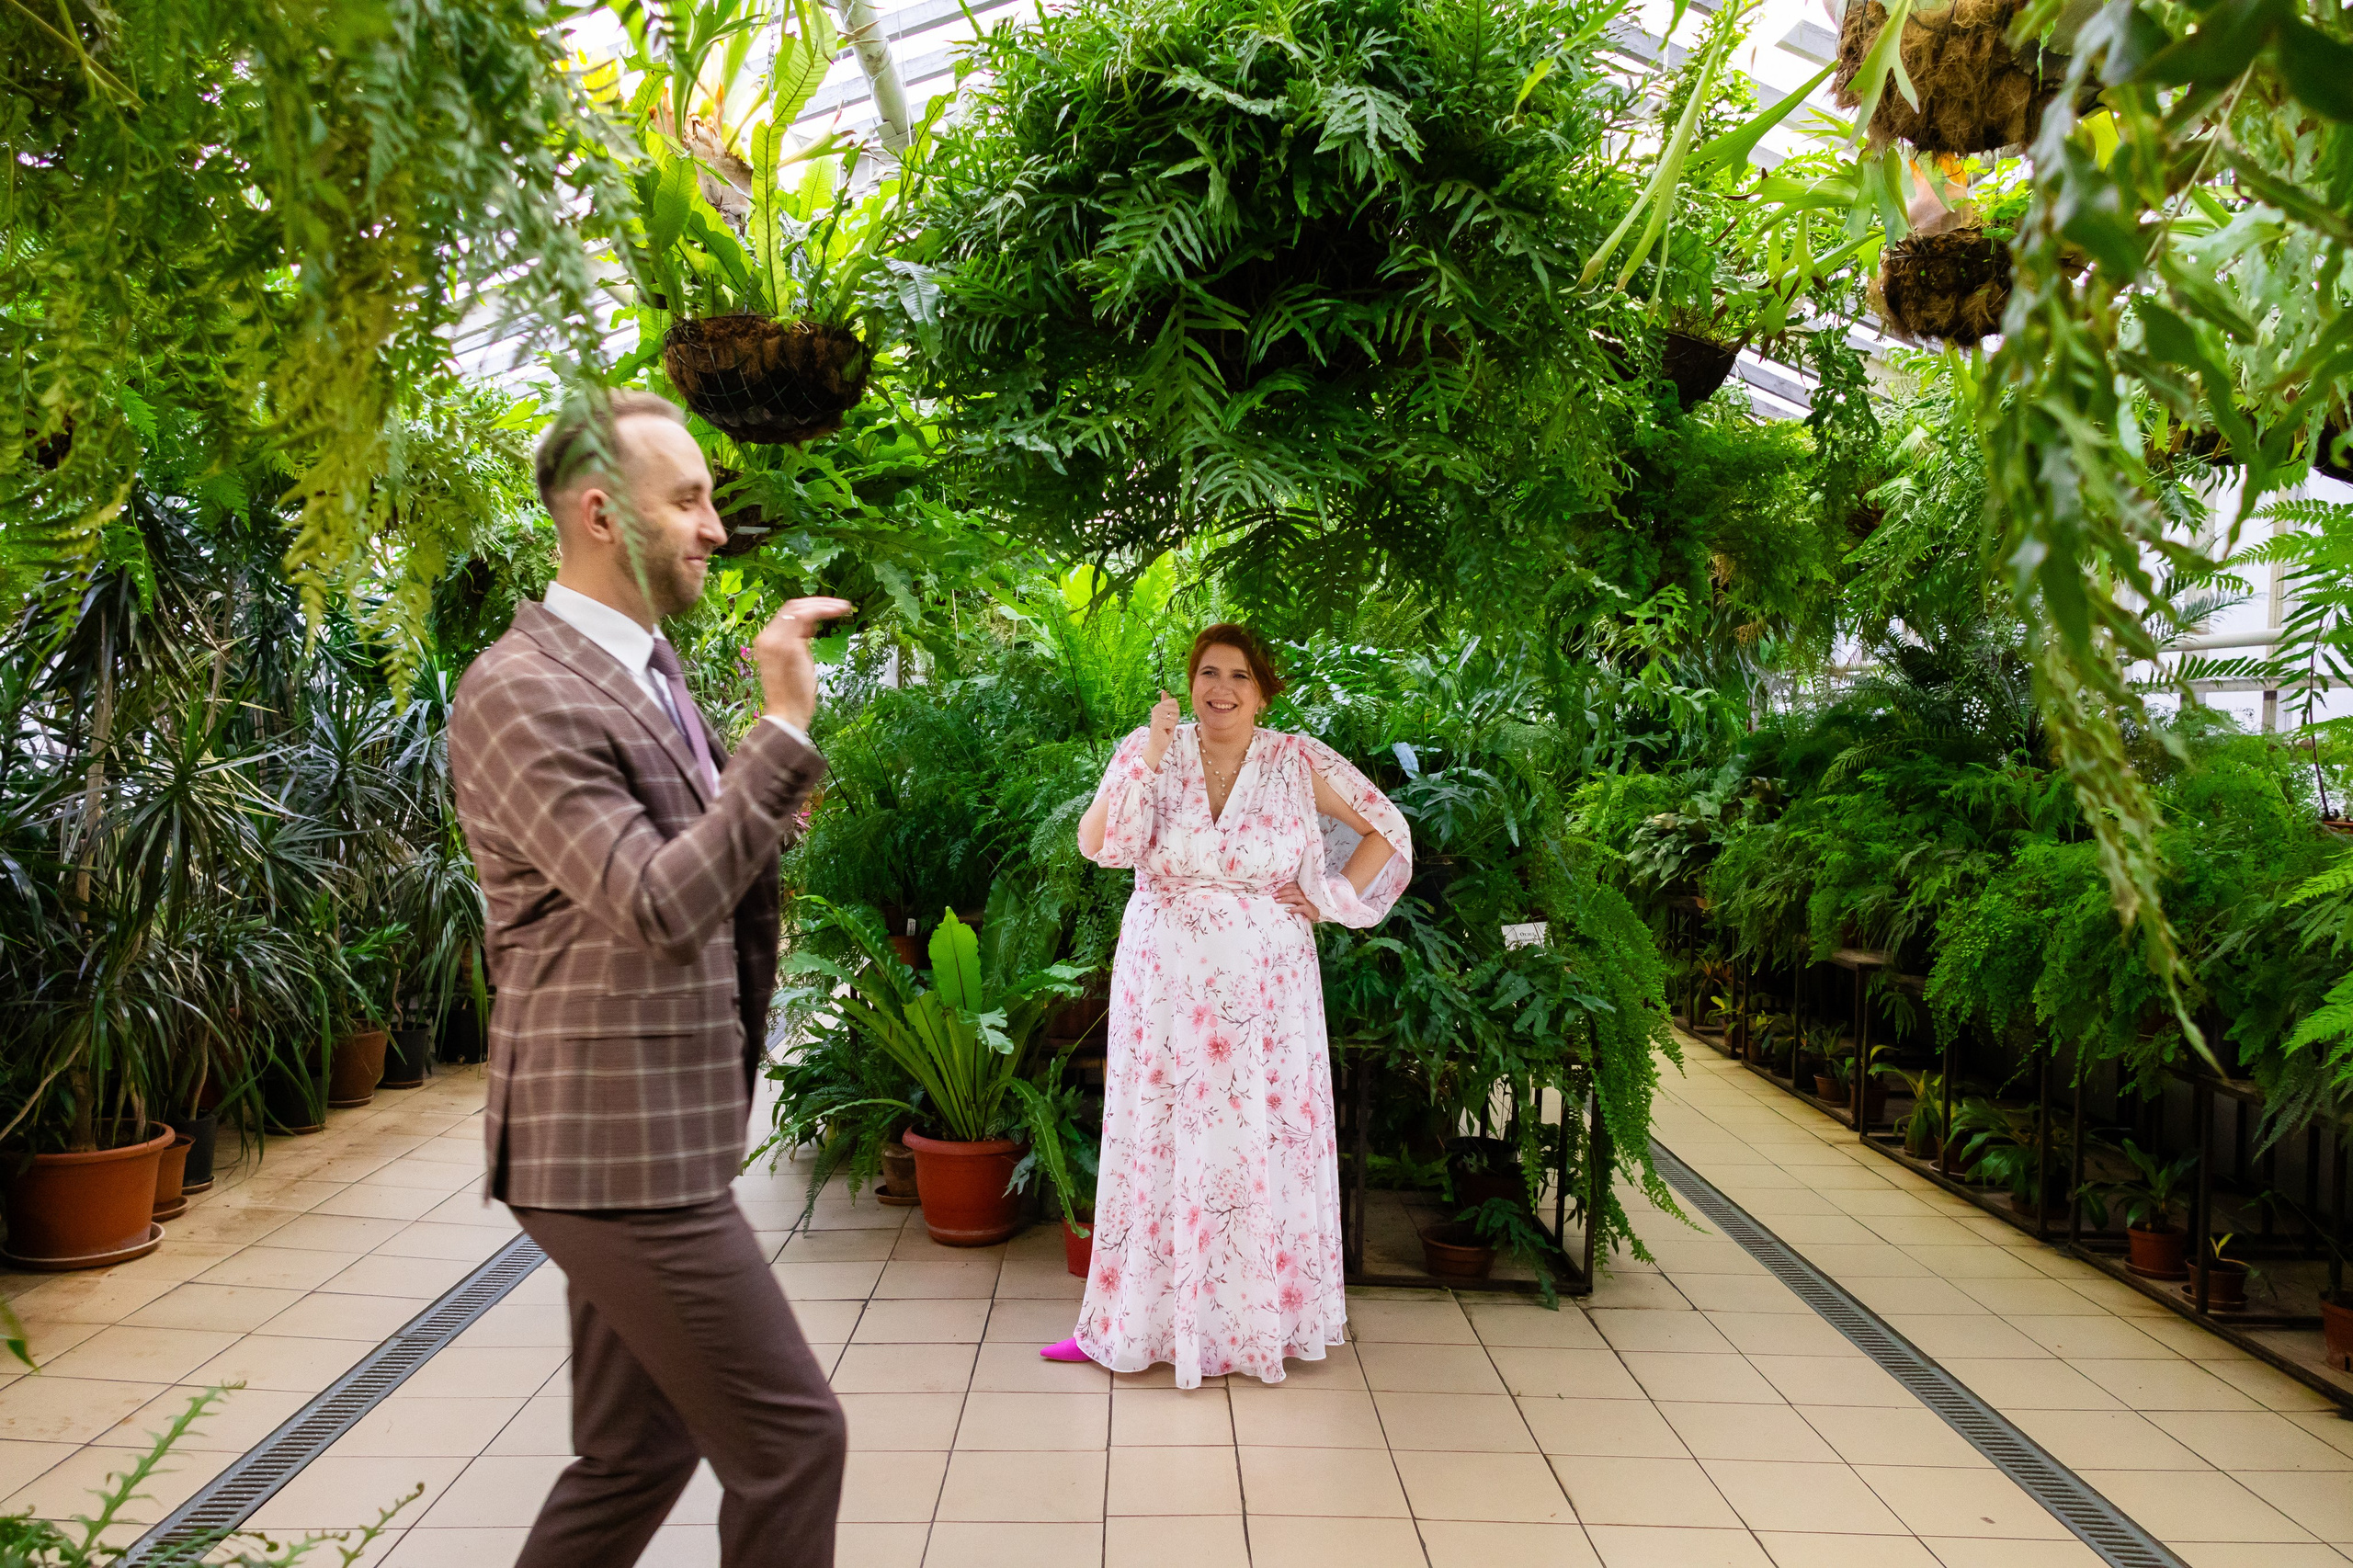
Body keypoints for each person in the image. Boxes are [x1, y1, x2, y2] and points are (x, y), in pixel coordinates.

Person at [449, 390, 854, 1568]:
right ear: (596, 514)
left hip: (650, 1131)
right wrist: (779, 732)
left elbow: (679, 863)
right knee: (793, 1442)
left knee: (634, 1453)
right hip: (607, 1144)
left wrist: (757, 795)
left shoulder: (645, 666)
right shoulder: (522, 689)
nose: (714, 526)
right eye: (687, 499)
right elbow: (658, 902)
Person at [1040, 624, 1412, 1388]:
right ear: (1190, 681)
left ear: (1262, 688)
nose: (1222, 689)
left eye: (1239, 675)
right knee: (1162, 1143)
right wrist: (1147, 752)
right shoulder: (1153, 750)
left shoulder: (1293, 760)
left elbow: (1386, 830)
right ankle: (1130, 1324)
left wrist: (1328, 897)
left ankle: (1254, 1328)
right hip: (1167, 991)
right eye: (1209, 673)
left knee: (1252, 1146)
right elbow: (1097, 841)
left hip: (1268, 997)